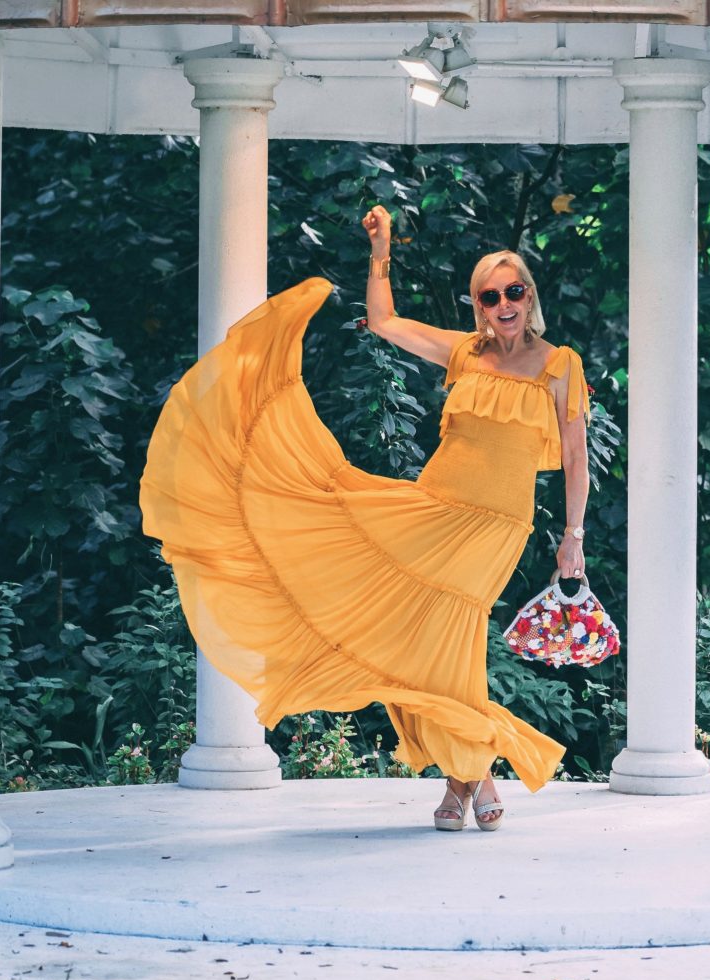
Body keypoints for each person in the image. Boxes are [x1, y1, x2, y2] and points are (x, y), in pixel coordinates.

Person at [139, 203, 591, 833]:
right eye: (490, 295)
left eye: (514, 291)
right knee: (426, 646)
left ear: (529, 296)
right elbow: (383, 322)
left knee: (447, 640)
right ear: (478, 305)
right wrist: (380, 253)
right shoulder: (464, 352)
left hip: (495, 524)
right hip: (431, 508)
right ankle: (470, 779)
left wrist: (573, 537)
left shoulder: (558, 363)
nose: (503, 304)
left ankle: (468, 775)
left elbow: (575, 457)